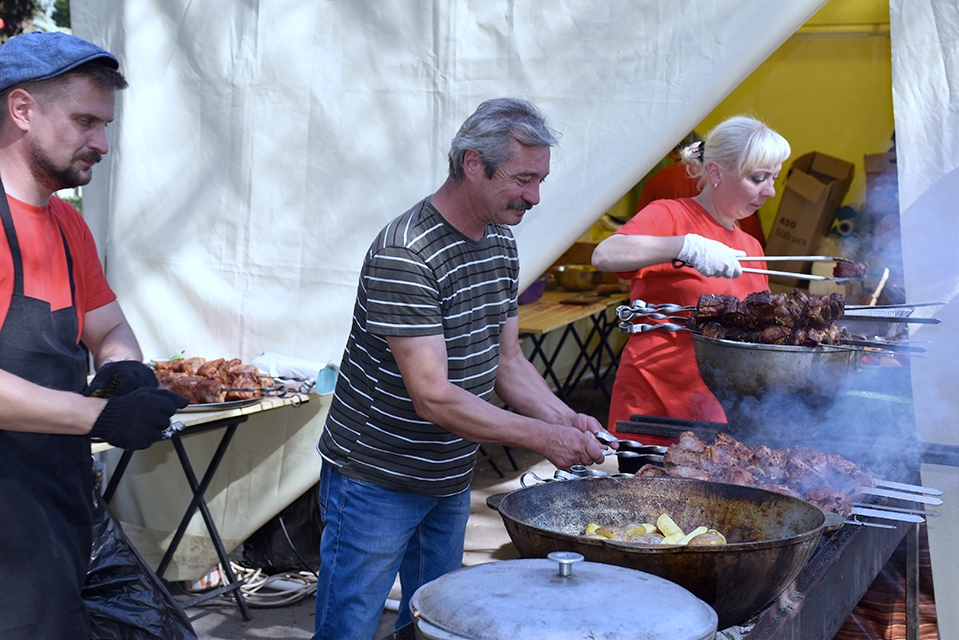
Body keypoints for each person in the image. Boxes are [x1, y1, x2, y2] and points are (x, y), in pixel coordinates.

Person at [314, 98, 609, 640]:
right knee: (348, 628)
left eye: (541, 180)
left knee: (436, 622)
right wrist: (543, 437)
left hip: (448, 473)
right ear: (473, 163)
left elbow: (508, 361)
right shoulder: (407, 253)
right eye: (523, 178)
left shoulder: (499, 239)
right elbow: (432, 396)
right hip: (376, 478)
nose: (534, 197)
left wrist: (567, 420)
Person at [0, 32, 189, 638]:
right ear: (23, 110)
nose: (101, 143)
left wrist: (121, 365)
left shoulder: (65, 223)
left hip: (57, 496)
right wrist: (97, 417)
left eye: (104, 125)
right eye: (84, 121)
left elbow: (105, 322)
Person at [591, 115, 790, 447]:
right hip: (653, 405)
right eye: (758, 179)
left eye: (774, 179)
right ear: (715, 173)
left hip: (720, 416)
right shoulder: (669, 215)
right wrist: (685, 245)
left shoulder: (752, 248)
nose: (770, 192)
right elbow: (605, 255)